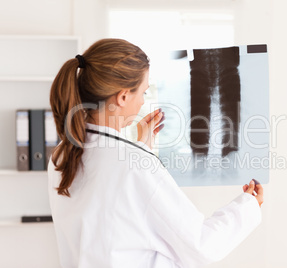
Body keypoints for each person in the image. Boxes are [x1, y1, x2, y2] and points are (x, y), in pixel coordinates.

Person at [48, 38, 263, 268]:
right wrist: (248, 206)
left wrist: (141, 146)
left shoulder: (62, 155)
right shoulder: (134, 165)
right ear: (122, 96)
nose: (142, 102)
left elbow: (111, 222)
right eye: (143, 92)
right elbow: (202, 246)